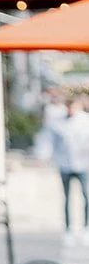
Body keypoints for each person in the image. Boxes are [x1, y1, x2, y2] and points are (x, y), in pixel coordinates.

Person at [55, 98, 89, 237]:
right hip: (66, 164)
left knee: (86, 196)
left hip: (83, 164)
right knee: (67, 198)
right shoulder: (59, 122)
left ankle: (86, 227)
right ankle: (68, 228)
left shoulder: (85, 121)